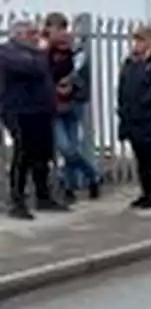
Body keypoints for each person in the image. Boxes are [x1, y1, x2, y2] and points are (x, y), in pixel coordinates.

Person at [0, 21, 65, 219]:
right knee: (23, 154)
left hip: (40, 110)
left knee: (42, 154)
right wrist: (43, 51)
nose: (36, 37)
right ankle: (17, 201)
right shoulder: (7, 52)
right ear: (18, 35)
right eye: (31, 33)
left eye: (36, 33)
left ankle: (43, 196)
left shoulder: (37, 54)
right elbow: (30, 69)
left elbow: (52, 72)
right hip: (19, 110)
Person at [44, 13, 101, 201]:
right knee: (65, 147)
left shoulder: (76, 49)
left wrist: (70, 83)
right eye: (53, 29)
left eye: (60, 28)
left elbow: (80, 73)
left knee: (72, 147)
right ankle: (92, 175)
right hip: (53, 104)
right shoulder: (44, 50)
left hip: (73, 102)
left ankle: (70, 186)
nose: (57, 33)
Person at [116, 25, 151, 209]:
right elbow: (123, 84)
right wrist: (123, 107)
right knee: (140, 157)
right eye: (135, 40)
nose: (136, 44)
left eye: (140, 40)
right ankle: (145, 191)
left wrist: (143, 102)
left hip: (150, 116)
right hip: (132, 116)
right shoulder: (130, 61)